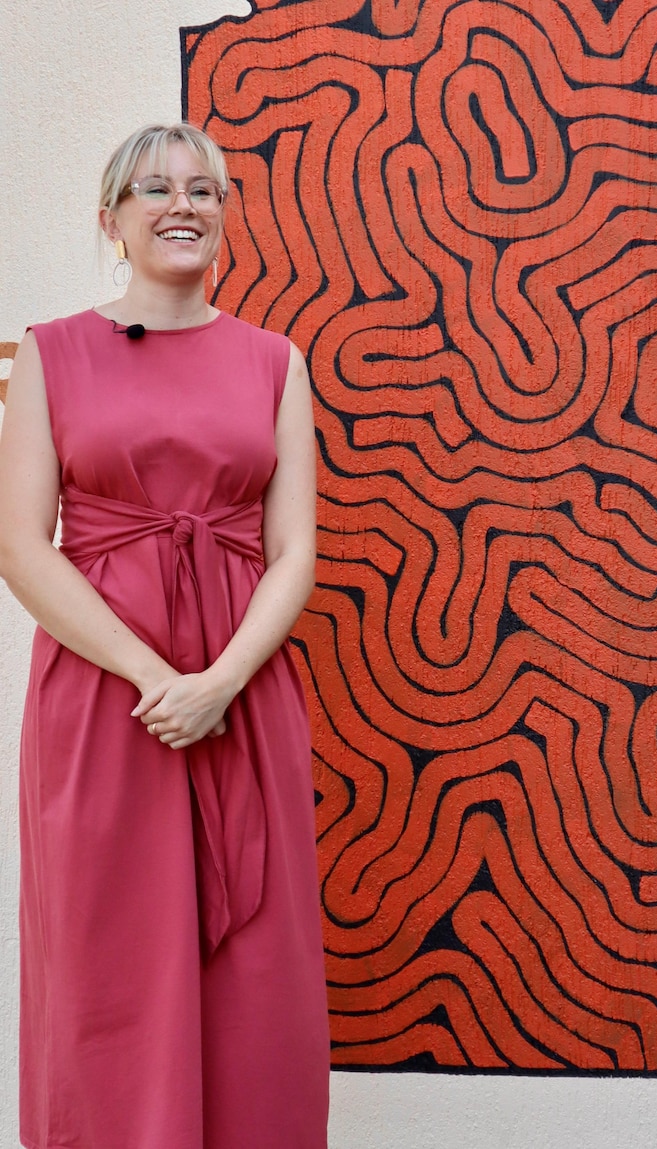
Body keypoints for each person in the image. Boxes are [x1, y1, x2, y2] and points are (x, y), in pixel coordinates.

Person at [0, 124, 330, 1149]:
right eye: (154, 188)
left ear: (225, 220)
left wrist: (220, 682)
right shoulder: (49, 353)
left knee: (255, 975)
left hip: (241, 699)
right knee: (110, 962)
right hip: (109, 703)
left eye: (204, 190)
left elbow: (294, 553)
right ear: (112, 220)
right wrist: (159, 678)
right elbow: (19, 545)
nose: (181, 204)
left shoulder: (275, 362)